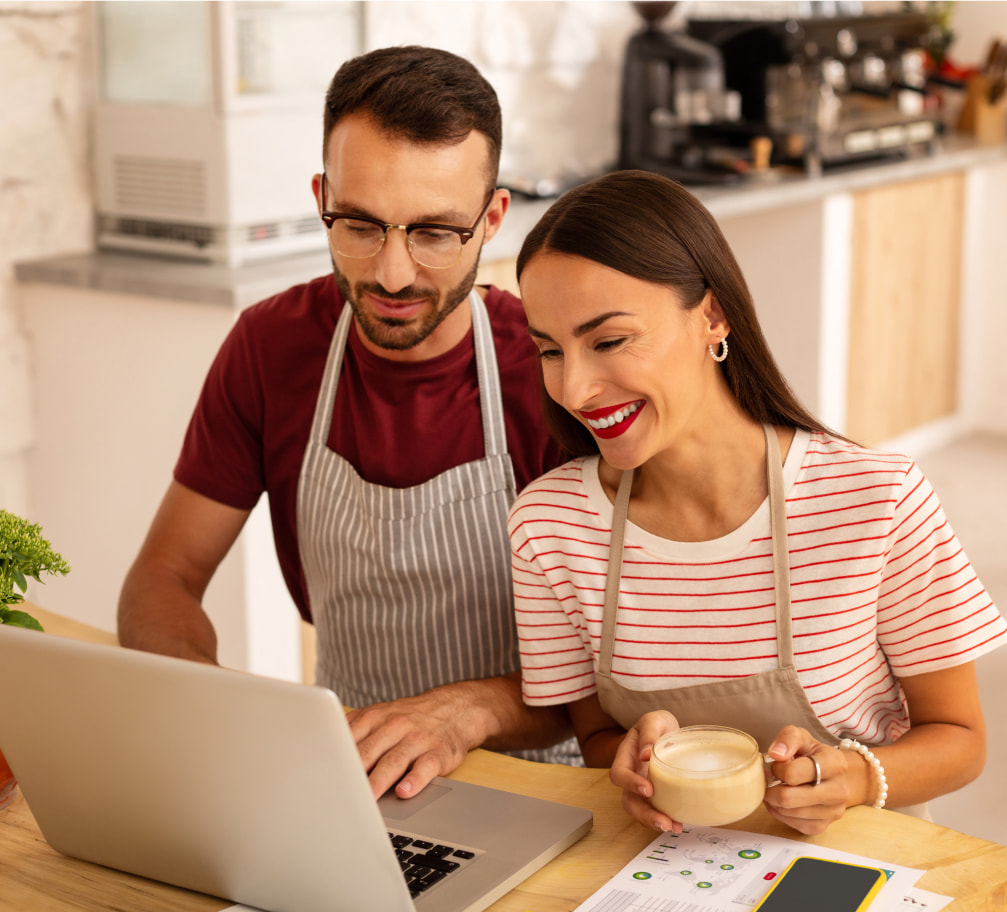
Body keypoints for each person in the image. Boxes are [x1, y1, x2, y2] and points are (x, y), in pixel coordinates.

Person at [118, 46, 576, 800]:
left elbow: (623, 665)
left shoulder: (552, 371)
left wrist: (467, 711)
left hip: (539, 787)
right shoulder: (270, 348)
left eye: (434, 233)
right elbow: (161, 579)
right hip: (349, 779)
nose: (392, 274)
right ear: (321, 197)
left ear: (492, 218)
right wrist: (216, 699)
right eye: (360, 225)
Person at [507, 169, 1007, 836]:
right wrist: (624, 760)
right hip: (668, 874)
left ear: (711, 316)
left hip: (855, 863)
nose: (574, 388)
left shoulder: (874, 499)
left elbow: (961, 739)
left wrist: (854, 778)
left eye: (608, 341)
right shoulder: (548, 526)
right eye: (549, 349)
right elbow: (596, 736)